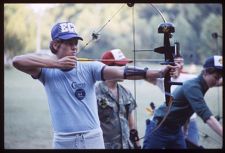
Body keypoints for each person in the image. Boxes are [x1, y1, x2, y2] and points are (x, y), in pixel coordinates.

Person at [12, 21, 177, 149]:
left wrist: (153, 73)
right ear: (56, 45)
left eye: (76, 42)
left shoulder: (90, 67)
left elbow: (121, 72)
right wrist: (57, 64)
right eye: (69, 42)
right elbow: (17, 61)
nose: (75, 46)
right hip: (63, 140)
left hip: (93, 138)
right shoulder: (46, 72)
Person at [143, 55, 223, 149]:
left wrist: (185, 129)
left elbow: (186, 109)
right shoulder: (193, 87)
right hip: (159, 127)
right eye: (216, 77)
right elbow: (206, 115)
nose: (217, 81)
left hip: (176, 130)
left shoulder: (202, 86)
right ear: (205, 72)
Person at [95, 49, 141, 149]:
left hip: (126, 146)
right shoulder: (94, 93)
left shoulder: (126, 92)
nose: (124, 69)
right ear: (108, 68)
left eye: (124, 65)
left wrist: (137, 144)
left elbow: (132, 124)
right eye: (120, 66)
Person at [152, 55, 200, 145]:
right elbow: (148, 77)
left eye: (181, 62)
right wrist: (162, 72)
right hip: (172, 122)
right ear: (171, 64)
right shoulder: (164, 80)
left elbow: (211, 79)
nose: (180, 65)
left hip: (190, 121)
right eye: (177, 62)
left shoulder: (190, 78)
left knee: (192, 145)